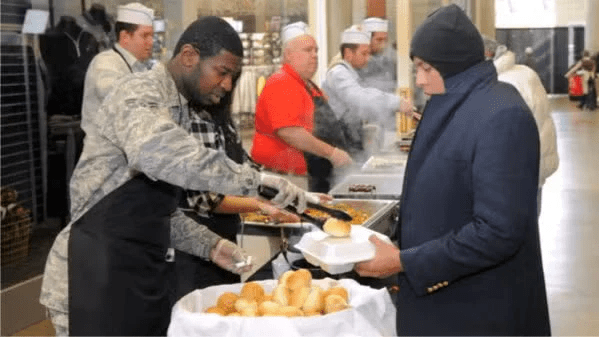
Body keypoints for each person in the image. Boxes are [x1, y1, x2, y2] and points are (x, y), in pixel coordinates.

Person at [40, 16, 313, 336]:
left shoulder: (182, 110)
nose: (227, 85)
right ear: (188, 56)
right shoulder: (138, 92)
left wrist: (211, 246)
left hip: (141, 275)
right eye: (222, 72)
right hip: (93, 273)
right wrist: (258, 183)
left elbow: (152, 212)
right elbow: (159, 152)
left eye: (232, 76)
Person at [355, 5, 551, 336]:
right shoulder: (457, 100)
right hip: (448, 300)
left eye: (425, 68)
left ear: (454, 65)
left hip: (481, 311)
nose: (418, 80)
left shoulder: (501, 115)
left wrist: (405, 262)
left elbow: (498, 231)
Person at [250, 21, 352, 183]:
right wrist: (332, 153)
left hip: (311, 174)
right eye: (307, 50)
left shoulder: (307, 84)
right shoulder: (282, 82)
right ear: (288, 54)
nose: (314, 55)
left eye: (316, 50)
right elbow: (290, 132)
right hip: (285, 178)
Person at [317, 25, 410, 191]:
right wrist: (395, 102)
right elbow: (359, 98)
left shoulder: (351, 72)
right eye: (364, 53)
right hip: (337, 146)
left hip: (348, 143)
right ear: (348, 53)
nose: (368, 58)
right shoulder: (339, 73)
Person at [483, 37, 559, 216]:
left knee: (511, 235)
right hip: (534, 171)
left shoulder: (502, 83)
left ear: (487, 55)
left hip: (514, 179)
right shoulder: (524, 73)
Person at [81, 2, 155, 132]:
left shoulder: (140, 67)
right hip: (106, 151)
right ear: (125, 37)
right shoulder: (105, 63)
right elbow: (122, 104)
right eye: (145, 36)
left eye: (151, 36)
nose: (151, 42)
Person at [356, 17, 397, 94]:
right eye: (379, 40)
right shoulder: (354, 62)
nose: (383, 44)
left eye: (385, 40)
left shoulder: (390, 59)